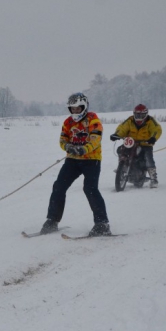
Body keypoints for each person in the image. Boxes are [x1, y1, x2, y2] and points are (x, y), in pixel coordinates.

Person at [40, 93, 111, 236]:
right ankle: (52, 220)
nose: (75, 111)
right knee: (59, 186)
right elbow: (62, 140)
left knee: (90, 188)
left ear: (84, 107)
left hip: (91, 160)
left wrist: (84, 149)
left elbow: (96, 139)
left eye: (78, 108)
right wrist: (67, 146)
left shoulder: (92, 119)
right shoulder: (67, 122)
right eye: (72, 109)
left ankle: (102, 223)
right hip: (72, 160)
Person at [110, 104, 162, 188]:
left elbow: (157, 129)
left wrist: (153, 138)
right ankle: (122, 169)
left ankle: (153, 178)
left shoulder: (151, 121)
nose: (139, 117)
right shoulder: (130, 120)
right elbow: (122, 128)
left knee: (148, 157)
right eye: (137, 115)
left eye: (141, 115)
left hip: (145, 143)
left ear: (146, 114)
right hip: (131, 143)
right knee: (120, 150)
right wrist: (117, 134)